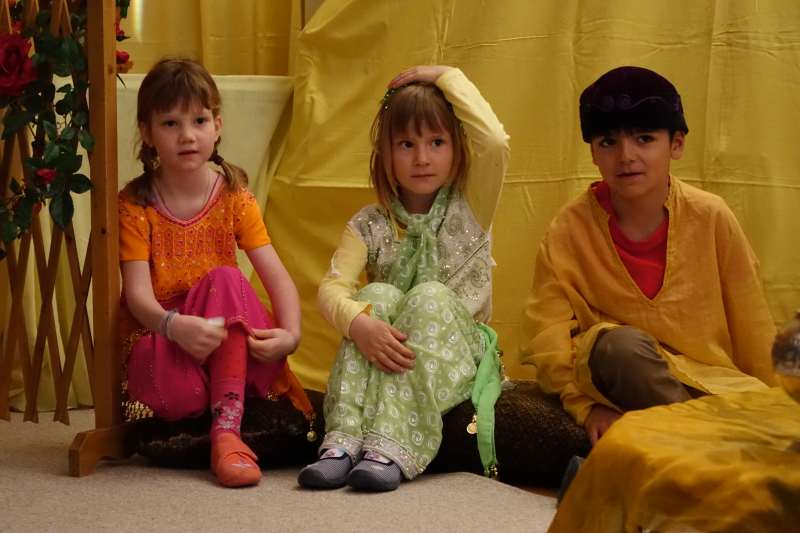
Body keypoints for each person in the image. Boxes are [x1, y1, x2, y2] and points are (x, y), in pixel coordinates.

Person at [521, 66, 776, 447]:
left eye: (644, 139)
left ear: (676, 145)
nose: (626, 156)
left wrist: (775, 404)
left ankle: (701, 445)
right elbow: (549, 337)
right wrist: (585, 406)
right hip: (619, 378)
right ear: (593, 153)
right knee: (619, 348)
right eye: (608, 142)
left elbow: (752, 325)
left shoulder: (711, 217)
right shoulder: (569, 229)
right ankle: (717, 449)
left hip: (711, 385)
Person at [297, 65, 510, 491]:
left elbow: (495, 140)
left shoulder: (473, 204)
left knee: (429, 295)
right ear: (386, 153)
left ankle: (390, 447)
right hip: (388, 351)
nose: (422, 158)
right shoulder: (368, 223)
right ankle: (343, 441)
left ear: (457, 148)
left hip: (456, 351)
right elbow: (332, 289)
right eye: (407, 144)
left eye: (437, 142)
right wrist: (360, 325)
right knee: (376, 295)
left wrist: (444, 75)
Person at [118, 58, 312, 488]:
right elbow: (137, 296)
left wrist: (291, 335)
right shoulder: (135, 205)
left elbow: (277, 277)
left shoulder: (234, 198)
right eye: (170, 123)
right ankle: (224, 406)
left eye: (199, 120)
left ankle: (226, 432)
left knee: (226, 279)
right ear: (147, 133)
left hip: (235, 340)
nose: (187, 135)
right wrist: (173, 325)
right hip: (171, 342)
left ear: (217, 125)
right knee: (180, 393)